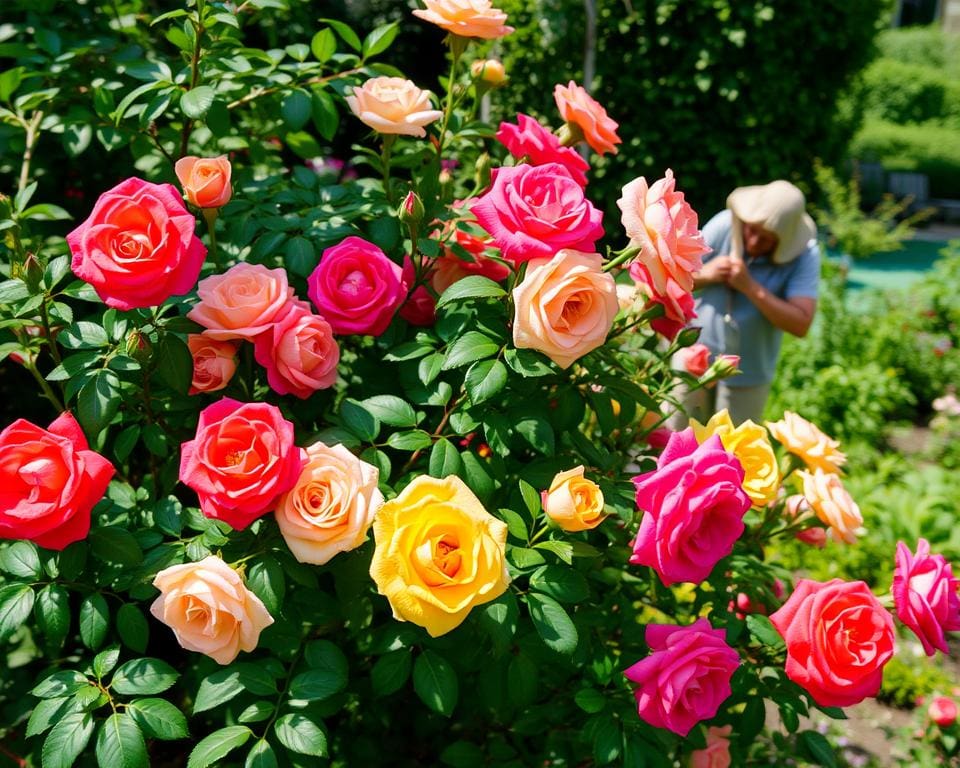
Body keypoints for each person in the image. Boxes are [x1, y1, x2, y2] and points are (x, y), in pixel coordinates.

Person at [678, 180, 820, 425]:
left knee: (732, 452)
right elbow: (673, 278)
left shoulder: (805, 254)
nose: (754, 242)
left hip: (749, 375)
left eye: (766, 239)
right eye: (751, 230)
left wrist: (750, 287)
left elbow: (801, 323)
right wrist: (707, 274)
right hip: (692, 358)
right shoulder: (726, 222)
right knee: (675, 436)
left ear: (786, 240)